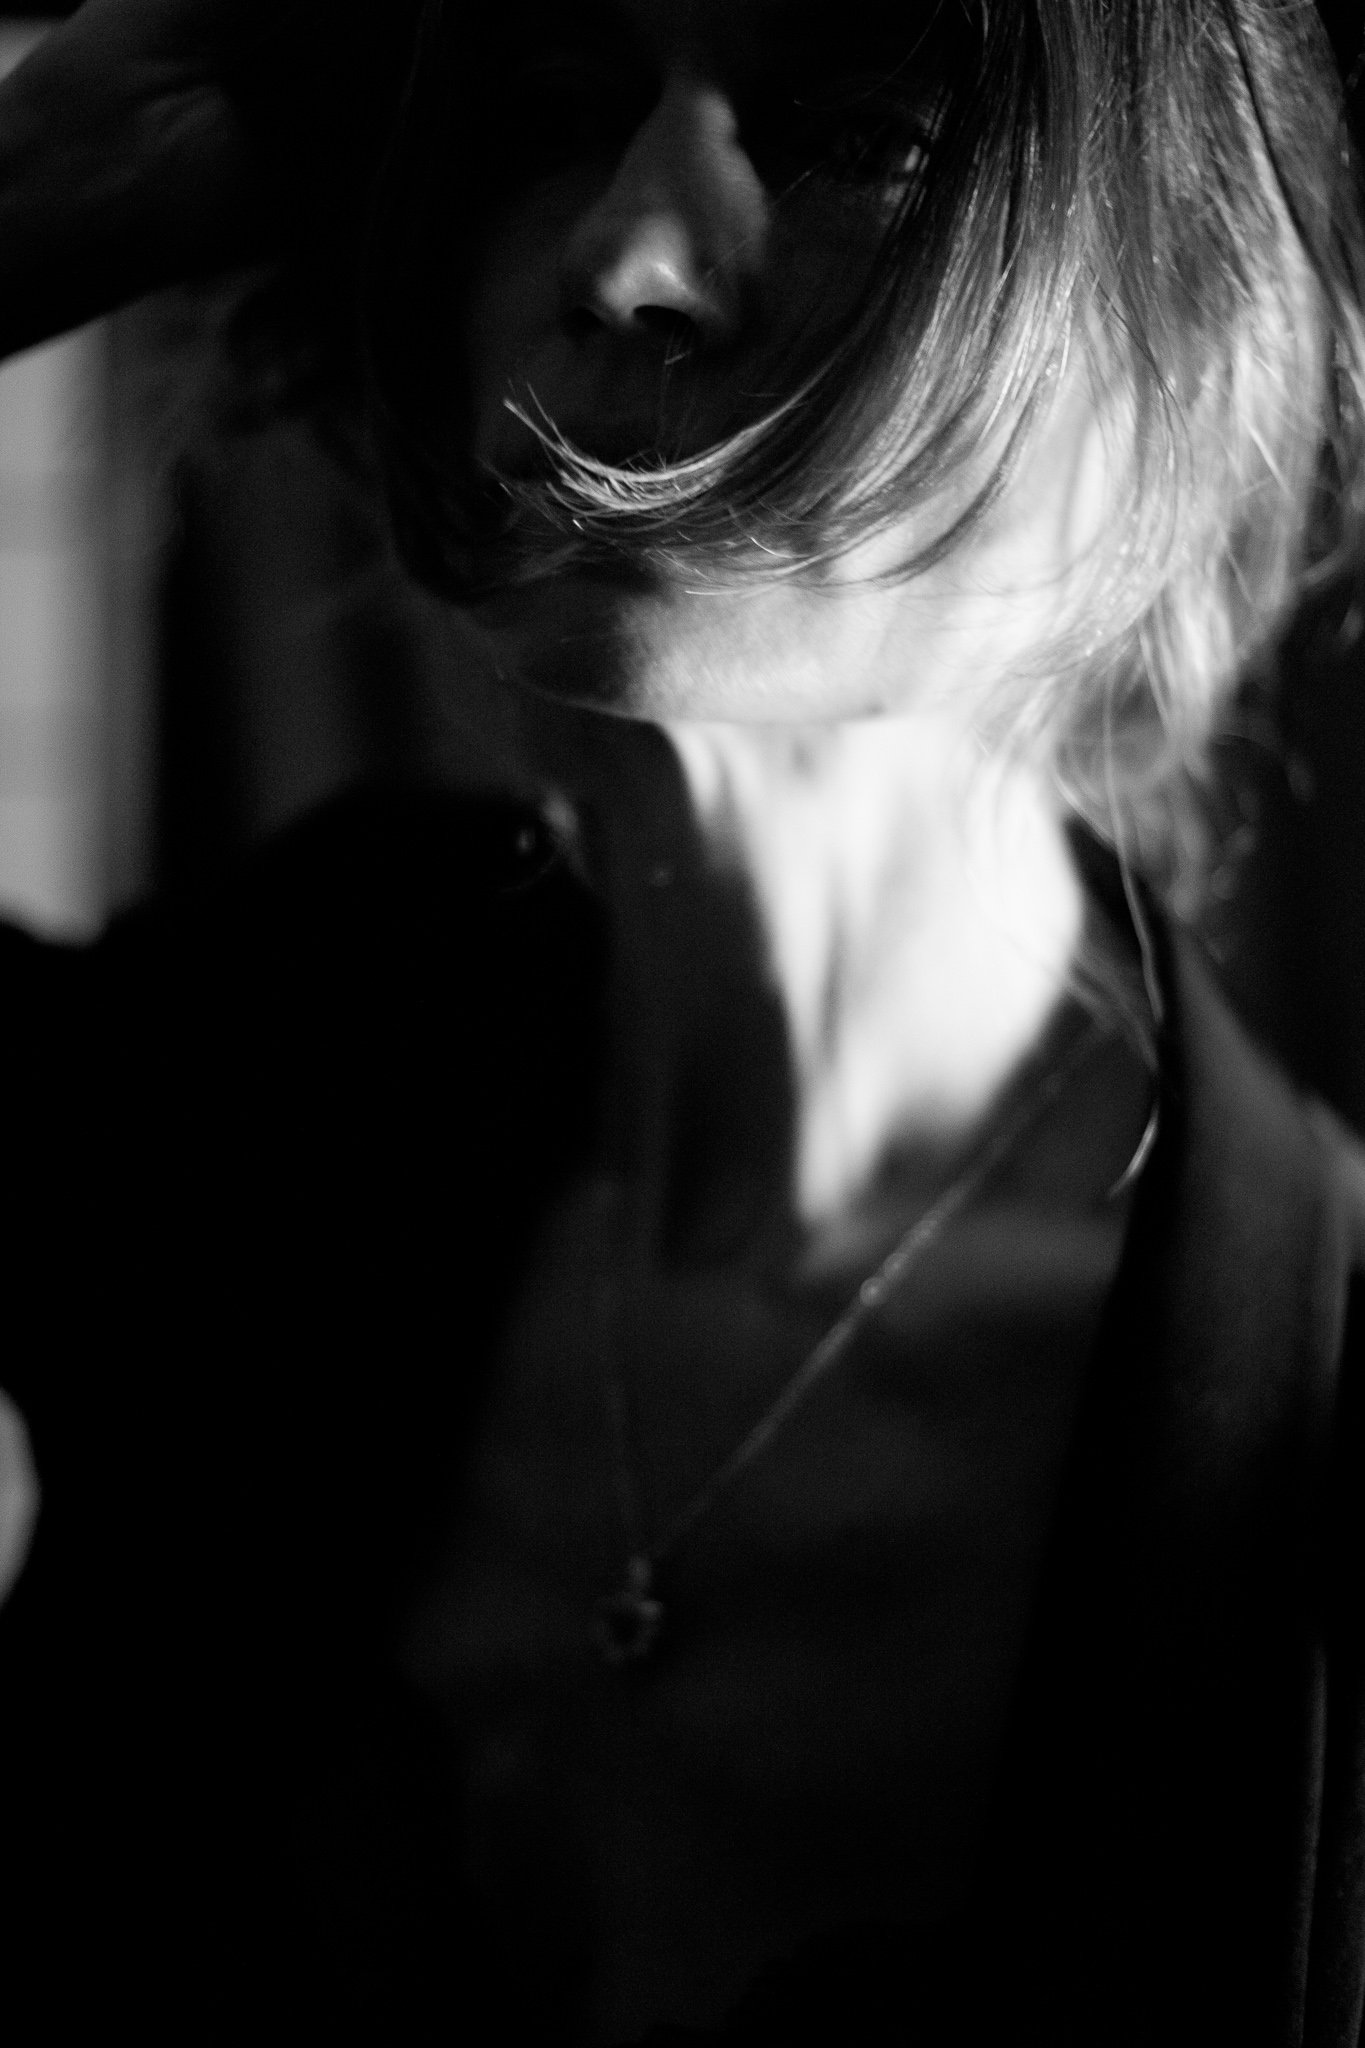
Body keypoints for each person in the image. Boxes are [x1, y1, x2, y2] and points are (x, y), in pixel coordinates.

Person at [1, 2, 1364, 2042]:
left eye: (847, 139)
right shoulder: (273, 1075)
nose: (631, 253)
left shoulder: (1304, 1424)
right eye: (550, 116)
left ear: (1172, 335)